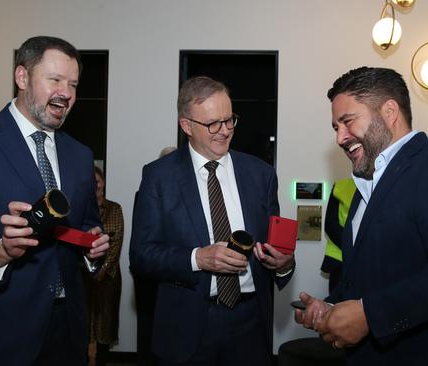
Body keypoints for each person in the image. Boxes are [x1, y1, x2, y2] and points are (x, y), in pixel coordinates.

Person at [294, 67, 428, 365]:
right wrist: (331, 306)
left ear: (389, 111)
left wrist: (369, 315)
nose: (340, 137)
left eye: (347, 121)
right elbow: (375, 273)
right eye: (335, 127)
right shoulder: (364, 188)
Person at [0, 36, 109, 365]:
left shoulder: (81, 156)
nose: (66, 93)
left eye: (73, 84)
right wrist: (0, 253)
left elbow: (85, 227)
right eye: (54, 80)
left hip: (67, 334)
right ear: (22, 77)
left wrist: (92, 249)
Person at [129, 76, 295, 366]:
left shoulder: (261, 175)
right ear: (186, 126)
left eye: (229, 120)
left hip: (250, 325)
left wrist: (283, 265)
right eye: (213, 124)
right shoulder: (159, 176)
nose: (225, 131)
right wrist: (198, 258)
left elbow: (274, 249)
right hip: (187, 325)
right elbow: (142, 256)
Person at [133, 146, 176, 366]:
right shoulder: (144, 195)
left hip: (179, 282)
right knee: (149, 339)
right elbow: (140, 246)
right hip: (150, 283)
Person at [84, 167, 124, 366]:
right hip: (82, 275)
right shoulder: (80, 207)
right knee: (83, 324)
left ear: (103, 182)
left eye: (98, 180)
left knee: (105, 326)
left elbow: (115, 243)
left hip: (108, 277)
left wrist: (102, 269)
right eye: (91, 181)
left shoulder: (114, 208)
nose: (95, 184)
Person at [321, 178, 356, 293]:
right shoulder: (340, 187)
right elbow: (330, 225)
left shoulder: (340, 186)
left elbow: (330, 225)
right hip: (340, 261)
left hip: (342, 258)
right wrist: (356, 247)